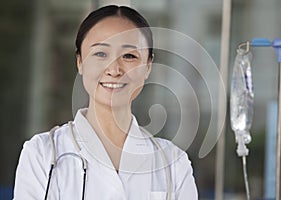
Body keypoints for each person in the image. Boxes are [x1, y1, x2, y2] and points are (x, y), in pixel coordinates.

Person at [13, 5, 198, 200]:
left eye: (129, 56)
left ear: (148, 67)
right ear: (80, 62)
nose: (114, 69)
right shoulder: (42, 154)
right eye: (100, 54)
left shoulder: (173, 164)